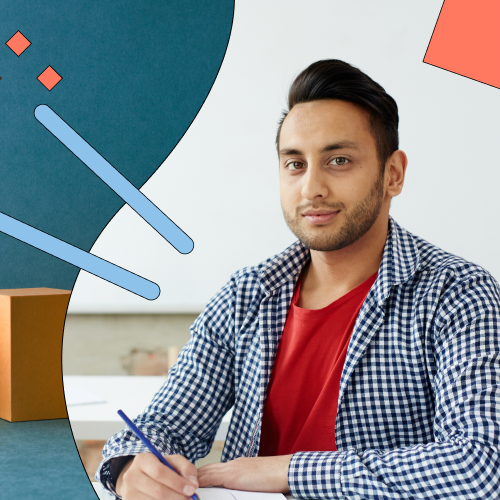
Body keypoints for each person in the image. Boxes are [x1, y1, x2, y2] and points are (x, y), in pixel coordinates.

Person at [96, 59, 500, 499]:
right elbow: (165, 426)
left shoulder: (457, 294)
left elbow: (479, 466)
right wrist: (133, 467)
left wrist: (287, 472)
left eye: (339, 160)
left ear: (393, 174)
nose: (311, 188)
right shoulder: (246, 296)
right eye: (294, 164)